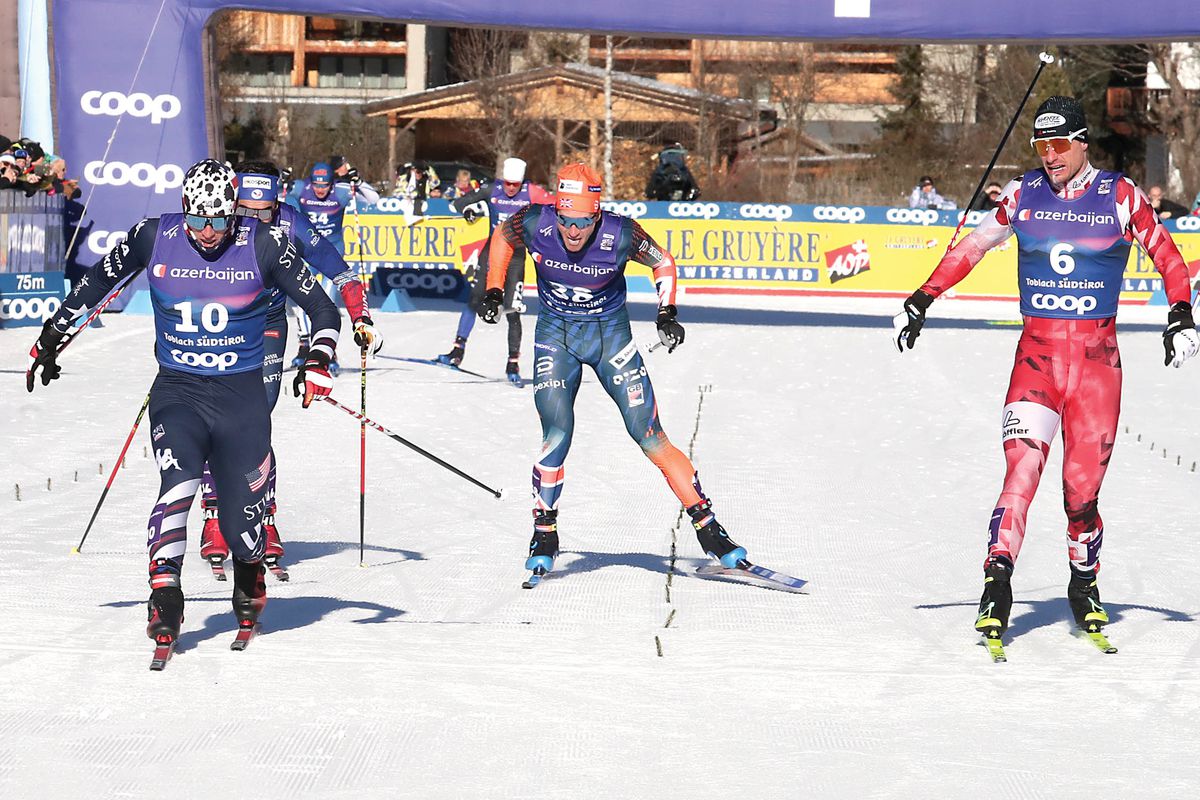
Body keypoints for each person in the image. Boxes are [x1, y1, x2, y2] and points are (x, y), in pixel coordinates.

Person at [893, 96, 1200, 648]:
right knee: (1021, 473)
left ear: (1082, 142)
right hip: (1036, 361)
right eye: (1041, 146)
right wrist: (921, 299)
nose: (1050, 156)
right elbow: (972, 248)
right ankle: (996, 582)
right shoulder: (1022, 193)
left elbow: (1167, 256)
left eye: (1059, 144)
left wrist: (1180, 314)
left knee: (1080, 496)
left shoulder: (1120, 195)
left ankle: (1084, 582)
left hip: (1096, 368)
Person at [25, 159, 342, 659]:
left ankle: (249, 573)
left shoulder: (263, 242)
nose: (208, 232)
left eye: (219, 220)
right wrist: (52, 335)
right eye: (198, 219)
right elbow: (98, 282)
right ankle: (165, 594)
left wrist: (318, 358)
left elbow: (322, 307)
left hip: (241, 396)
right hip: (179, 390)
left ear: (233, 212)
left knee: (241, 519)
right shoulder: (154, 235)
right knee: (179, 483)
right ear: (184, 209)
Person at [479, 162, 748, 584]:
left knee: (649, 435)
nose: (572, 231)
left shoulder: (621, 233)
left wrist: (666, 312)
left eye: (582, 222)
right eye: (566, 220)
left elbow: (663, 261)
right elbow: (501, 237)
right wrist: (494, 289)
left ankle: (709, 528)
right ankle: (544, 534)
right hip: (556, 337)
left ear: (597, 214)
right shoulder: (534, 220)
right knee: (556, 432)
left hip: (610, 339)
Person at [196, 160, 385, 581]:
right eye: (245, 211)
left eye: (264, 212)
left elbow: (341, 271)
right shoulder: (214, 220)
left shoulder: (291, 222)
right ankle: (214, 518)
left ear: (277, 203)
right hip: (216, 328)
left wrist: (361, 316)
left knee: (254, 423)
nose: (254, 220)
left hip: (266, 327)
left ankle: (263, 518)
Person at [439, 157, 554, 384]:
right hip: (491, 253)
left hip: (516, 258)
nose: (510, 188)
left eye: (515, 184)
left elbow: (559, 209)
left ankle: (513, 362)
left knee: (512, 309)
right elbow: (459, 203)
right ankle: (457, 350)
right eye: (508, 183)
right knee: (475, 299)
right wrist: (469, 210)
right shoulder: (493, 189)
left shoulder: (532, 192)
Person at [286, 160, 380, 373]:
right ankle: (304, 345)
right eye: (317, 185)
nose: (320, 190)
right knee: (303, 300)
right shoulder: (301, 188)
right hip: (307, 251)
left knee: (327, 302)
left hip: (331, 253)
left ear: (332, 183)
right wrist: (282, 181)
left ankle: (329, 350)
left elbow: (374, 198)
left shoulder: (341, 190)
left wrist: (359, 182)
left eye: (325, 185)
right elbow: (275, 195)